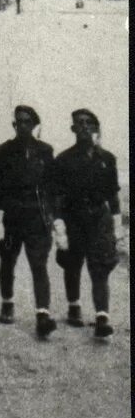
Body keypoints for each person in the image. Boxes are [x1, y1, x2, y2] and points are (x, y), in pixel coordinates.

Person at [48, 108, 124, 338]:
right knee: (72, 264)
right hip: (73, 217)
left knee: (100, 266)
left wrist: (117, 224)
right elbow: (56, 196)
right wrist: (59, 224)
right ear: (72, 128)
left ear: (95, 127)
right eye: (78, 123)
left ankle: (102, 318)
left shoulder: (107, 159)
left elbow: (112, 195)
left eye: (87, 123)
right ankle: (74, 307)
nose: (83, 127)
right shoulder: (63, 159)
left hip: (99, 218)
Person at [0, 105, 57, 337]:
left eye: (27, 121)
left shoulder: (45, 151)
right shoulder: (2, 151)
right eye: (19, 122)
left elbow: (51, 186)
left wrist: (52, 215)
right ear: (14, 125)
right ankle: (7, 303)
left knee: (39, 264)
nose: (23, 125)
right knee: (7, 261)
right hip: (11, 216)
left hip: (36, 216)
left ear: (35, 124)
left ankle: (43, 314)